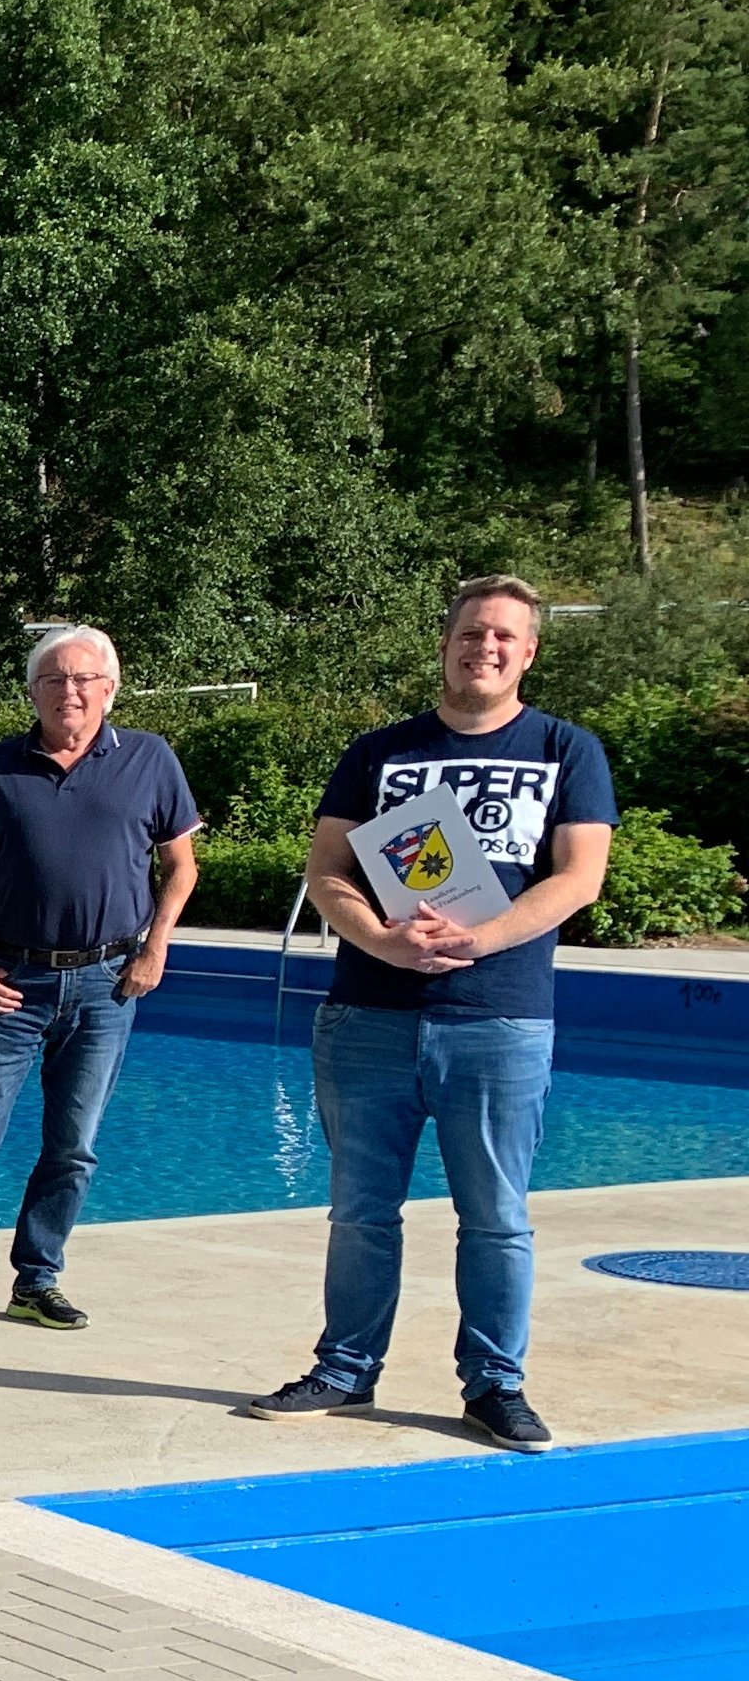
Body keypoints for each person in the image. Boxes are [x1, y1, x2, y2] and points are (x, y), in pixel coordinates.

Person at [249, 576, 613, 1452]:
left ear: (528, 653)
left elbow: (578, 878)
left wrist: (477, 939)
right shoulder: (379, 750)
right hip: (368, 1012)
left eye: (503, 637)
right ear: (445, 642)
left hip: (498, 1018)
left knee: (495, 1215)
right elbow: (328, 867)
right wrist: (379, 939)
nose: (483, 647)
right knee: (360, 1212)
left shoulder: (568, 748)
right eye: (469, 632)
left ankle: (494, 1384)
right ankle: (345, 1368)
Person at [0, 626, 200, 1335]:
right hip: (10, 982)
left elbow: (180, 866)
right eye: (54, 681)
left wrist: (157, 947)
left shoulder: (150, 759)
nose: (70, 692)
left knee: (73, 1143)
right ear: (32, 691)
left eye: (84, 680)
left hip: (107, 984)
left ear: (110, 688)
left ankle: (37, 1278)